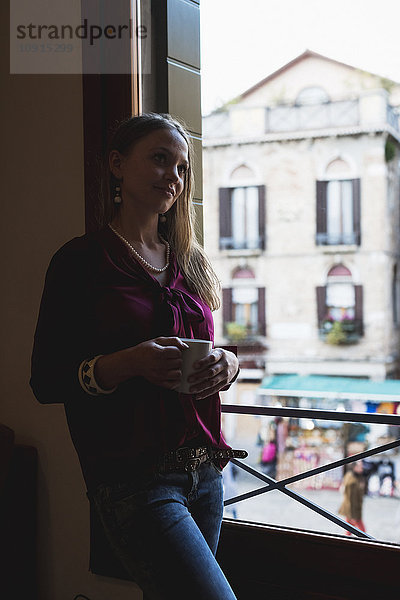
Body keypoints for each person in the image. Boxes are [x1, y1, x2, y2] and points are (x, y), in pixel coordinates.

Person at [30, 113, 246, 600]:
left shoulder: (190, 262)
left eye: (182, 167)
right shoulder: (80, 261)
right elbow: (45, 380)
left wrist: (228, 366)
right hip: (134, 481)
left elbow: (214, 347)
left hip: (206, 474)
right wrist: (126, 363)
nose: (174, 175)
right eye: (159, 158)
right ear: (116, 165)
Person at [338, 461, 366, 535]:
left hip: (354, 508)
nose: (362, 468)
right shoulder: (351, 479)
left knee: (349, 530)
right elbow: (350, 497)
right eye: (360, 466)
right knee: (362, 530)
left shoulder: (357, 476)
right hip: (352, 509)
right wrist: (352, 513)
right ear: (355, 467)